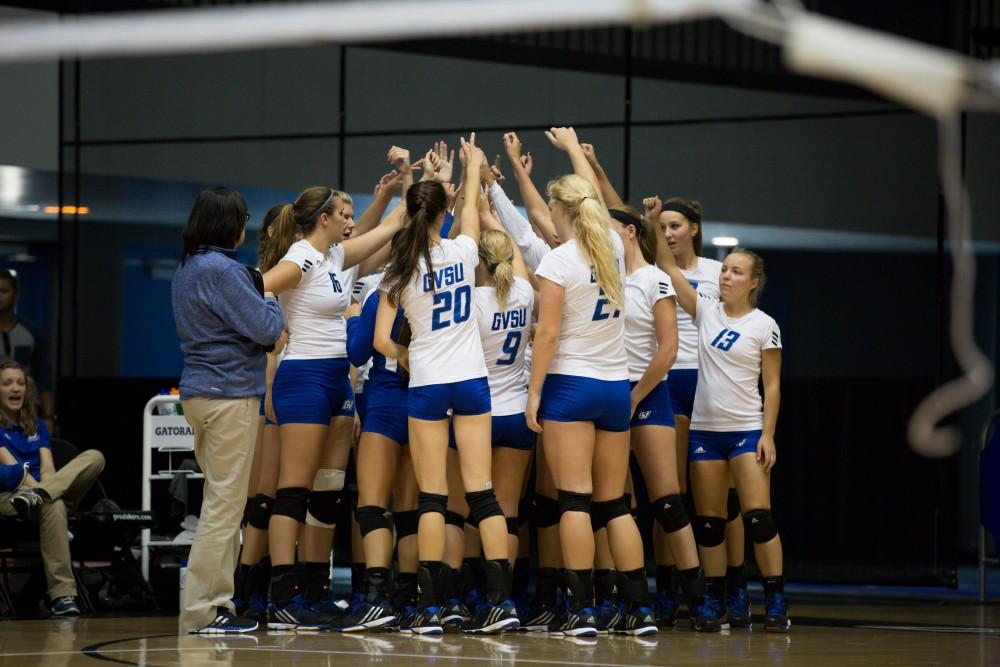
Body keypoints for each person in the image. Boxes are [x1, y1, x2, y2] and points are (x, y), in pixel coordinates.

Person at [375, 136, 519, 635]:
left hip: (429, 384)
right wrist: (471, 167)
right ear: (444, 213)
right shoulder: (461, 250)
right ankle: (503, 604)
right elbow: (469, 216)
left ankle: (431, 608)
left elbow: (380, 340)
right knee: (483, 495)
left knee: (433, 497)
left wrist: (408, 359)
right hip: (473, 382)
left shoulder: (399, 266)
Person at [261, 164, 406, 630]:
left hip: (337, 381)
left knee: (326, 493)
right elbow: (260, 286)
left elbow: (391, 228)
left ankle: (315, 591)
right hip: (302, 376)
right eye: (342, 214)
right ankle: (282, 596)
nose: (350, 220)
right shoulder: (302, 255)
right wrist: (268, 333)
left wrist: (414, 183)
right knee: (293, 490)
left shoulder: (336, 257)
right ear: (323, 217)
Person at [525, 127, 655, 637]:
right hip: (614, 389)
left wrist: (534, 393)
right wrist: (575, 149)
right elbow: (597, 201)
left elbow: (549, 333)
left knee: (574, 501)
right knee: (614, 503)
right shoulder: (614, 253)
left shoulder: (559, 260)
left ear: (559, 210)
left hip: (572, 387)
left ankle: (581, 611)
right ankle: (639, 610)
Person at [649, 198, 789, 632]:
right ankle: (709, 600)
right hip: (706, 433)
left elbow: (773, 385)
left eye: (736, 272)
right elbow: (668, 269)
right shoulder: (706, 311)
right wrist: (654, 224)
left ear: (753, 283)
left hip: (747, 431)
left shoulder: (765, 325)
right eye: (724, 269)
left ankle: (775, 598)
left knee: (757, 518)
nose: (726, 276)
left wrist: (768, 434)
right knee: (708, 522)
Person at [171, 187, 285, 634]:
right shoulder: (226, 272)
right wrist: (272, 299)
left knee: (220, 502)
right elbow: (268, 330)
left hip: (199, 395)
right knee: (222, 508)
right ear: (229, 225)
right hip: (229, 396)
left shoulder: (187, 268)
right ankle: (204, 610)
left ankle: (217, 605)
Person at [609, 204, 719, 632]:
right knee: (616, 504)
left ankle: (698, 598)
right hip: (609, 393)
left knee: (668, 502)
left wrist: (635, 397)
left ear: (632, 233)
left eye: (610, 229)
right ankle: (632, 601)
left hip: (649, 392)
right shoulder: (602, 279)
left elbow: (669, 349)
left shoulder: (655, 278)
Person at [0, 361, 105, 617]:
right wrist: (45, 496)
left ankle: (46, 497)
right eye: (7, 383)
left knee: (95, 457)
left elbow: (48, 467)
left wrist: (44, 492)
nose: (16, 388)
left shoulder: (37, 426)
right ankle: (62, 596)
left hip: (42, 493)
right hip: (11, 495)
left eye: (20, 383)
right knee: (54, 506)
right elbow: (16, 471)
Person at [0, 269, 56, 434]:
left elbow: (44, 375)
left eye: (3, 291)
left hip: (27, 411)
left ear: (16, 295)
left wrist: (49, 417)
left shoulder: (31, 332)